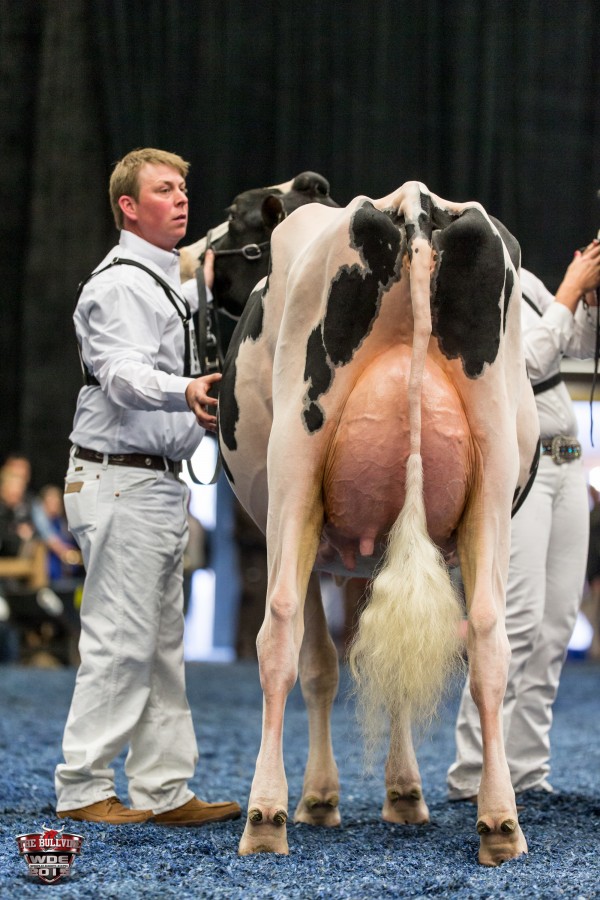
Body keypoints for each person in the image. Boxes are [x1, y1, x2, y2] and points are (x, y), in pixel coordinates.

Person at [55, 148, 241, 826]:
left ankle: (164, 789)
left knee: (161, 647)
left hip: (153, 482)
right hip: (119, 477)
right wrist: (185, 390)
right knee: (120, 639)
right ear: (128, 208)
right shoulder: (118, 285)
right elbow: (121, 374)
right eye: (164, 189)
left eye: (183, 187)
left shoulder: (165, 282)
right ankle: (83, 787)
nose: (181, 197)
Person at [447, 239, 600, 800]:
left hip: (567, 462)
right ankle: (473, 770)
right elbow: (523, 364)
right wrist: (570, 291)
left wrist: (589, 302)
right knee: (516, 619)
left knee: (557, 624)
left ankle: (528, 768)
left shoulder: (528, 283)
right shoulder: (470, 292)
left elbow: (576, 345)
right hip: (518, 465)